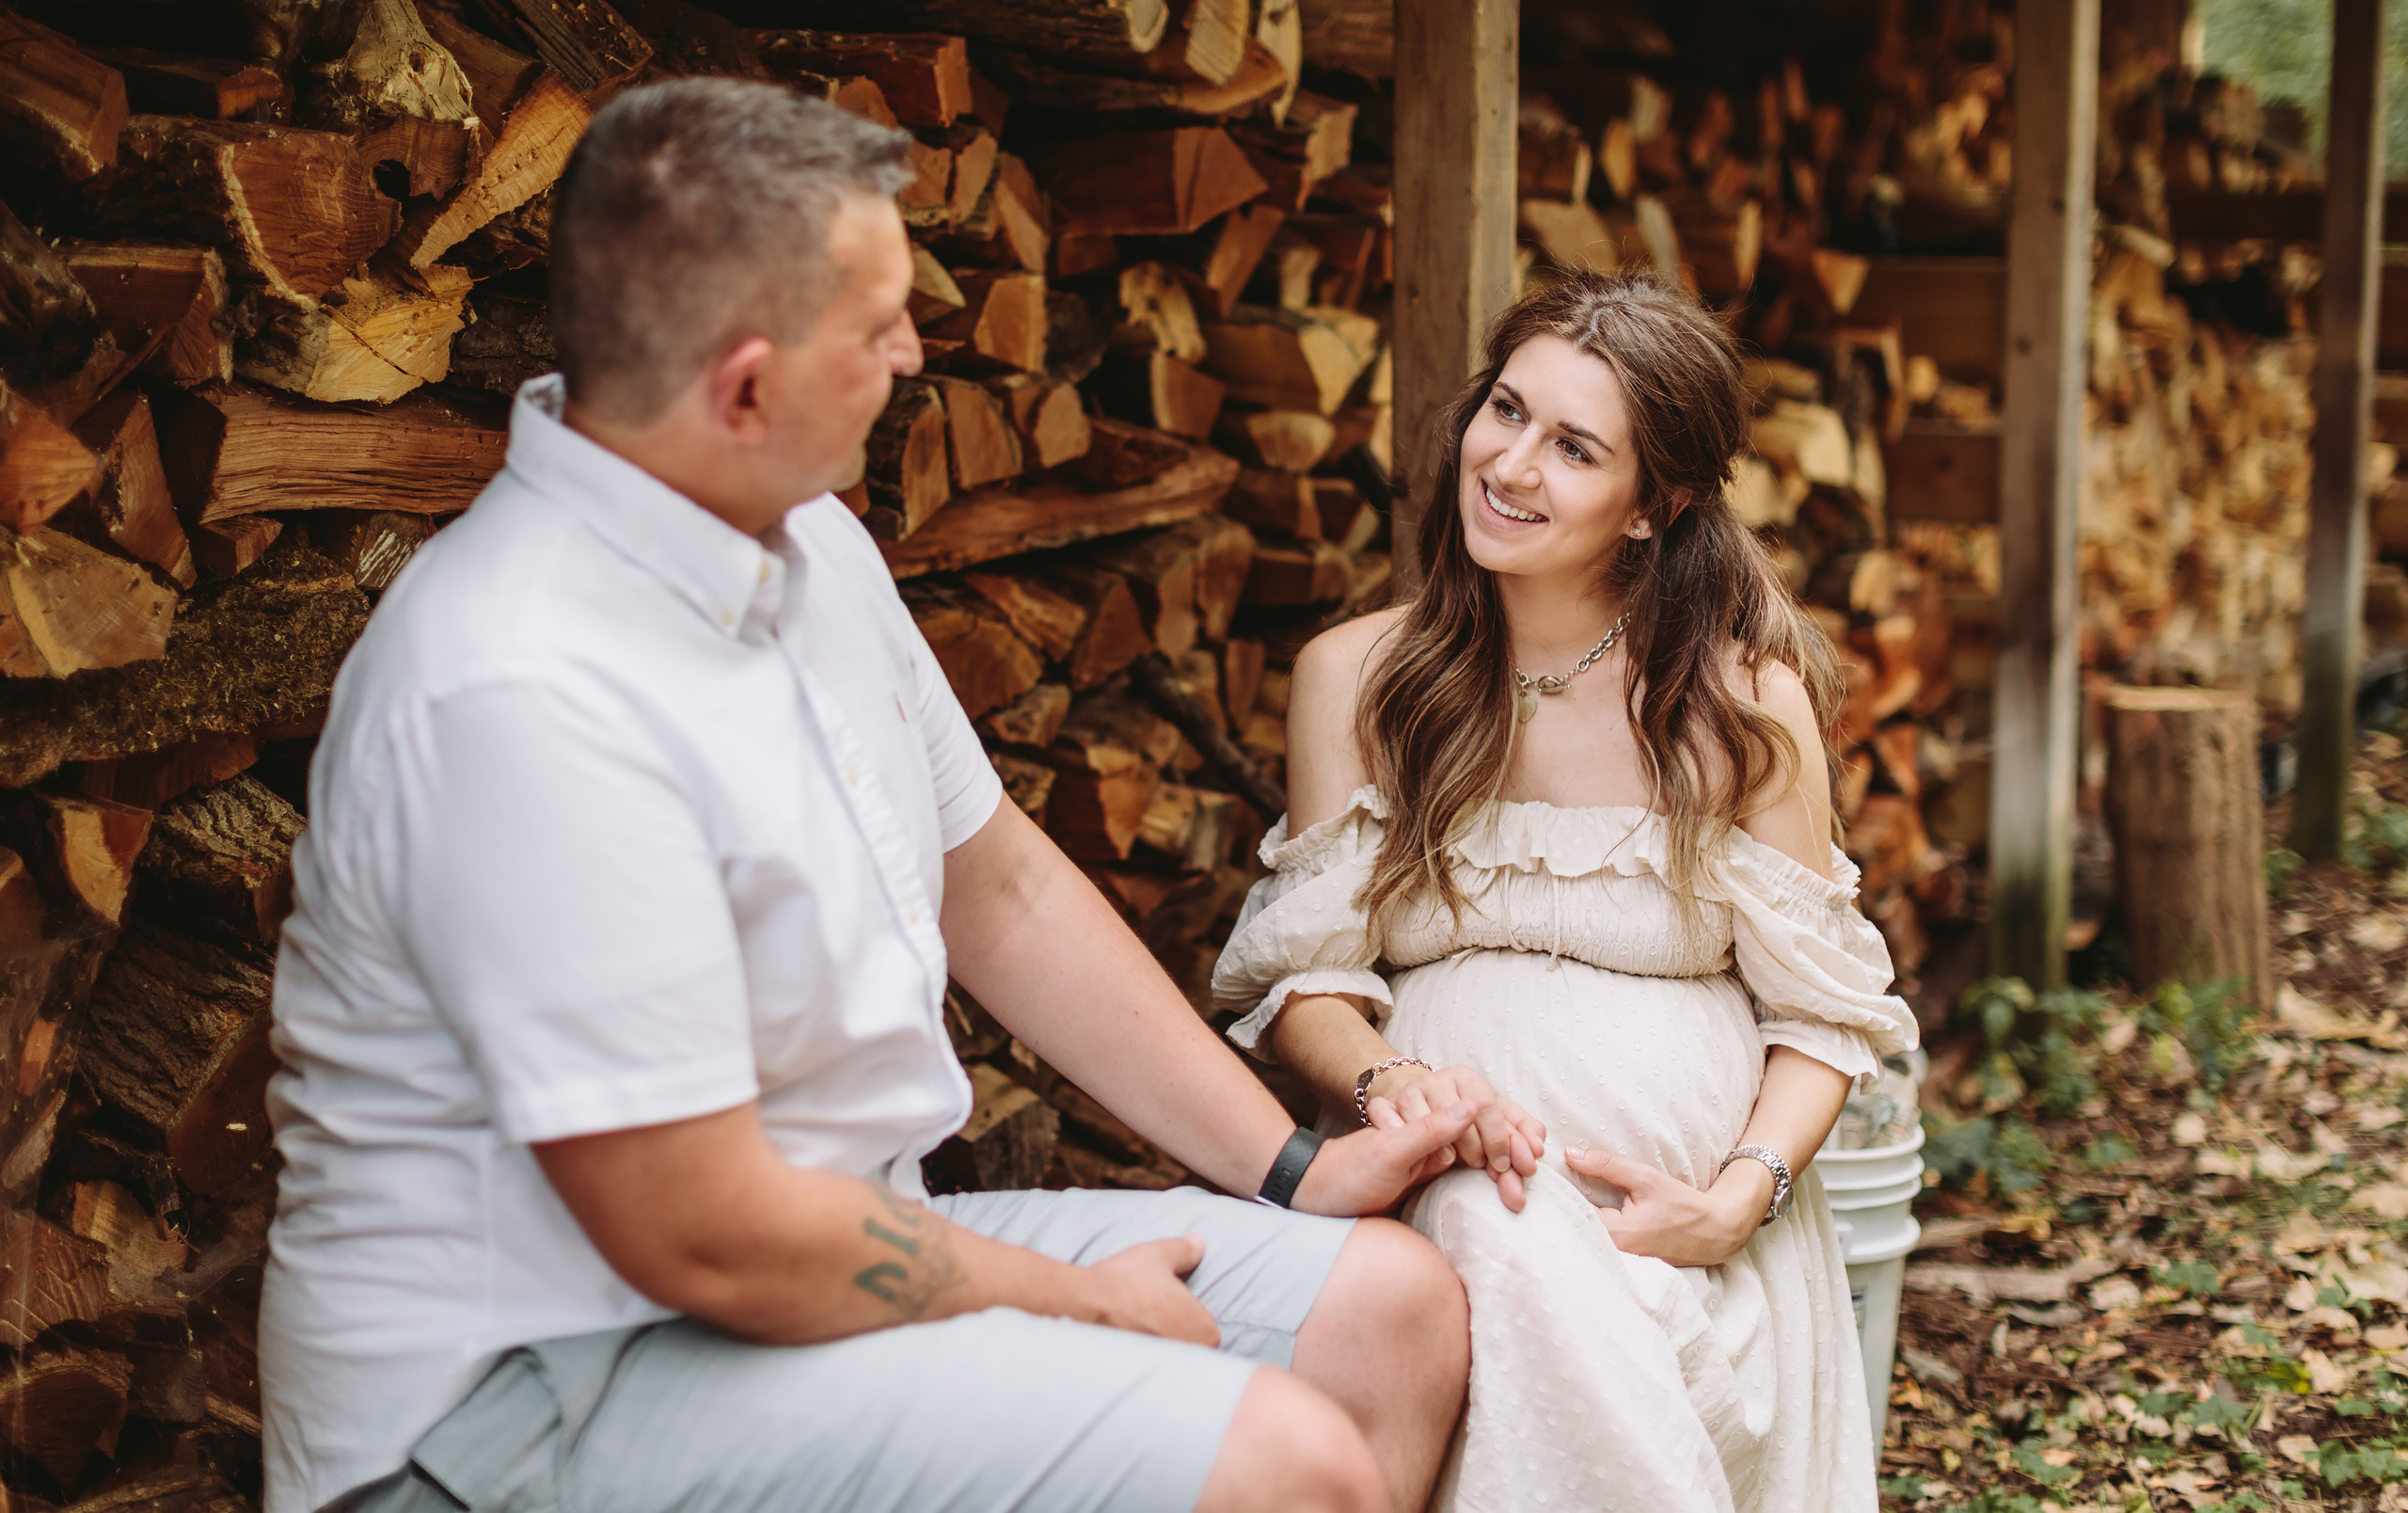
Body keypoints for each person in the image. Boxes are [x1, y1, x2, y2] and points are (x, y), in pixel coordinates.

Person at [260, 78, 1481, 1513]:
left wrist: (1288, 1168)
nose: (916, 349)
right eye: (879, 322)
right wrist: (1075, 1308)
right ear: (748, 386)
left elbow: (1002, 889)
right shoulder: (521, 685)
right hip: (527, 1390)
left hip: (827, 1256)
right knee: (1274, 1463)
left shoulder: (809, 541)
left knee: (1387, 1313)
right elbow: (704, 1236)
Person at [1212, 268, 1922, 1512]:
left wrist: (1729, 1202)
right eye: (1506, 410)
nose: (1512, 464)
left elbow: (1823, 1019)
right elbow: (1305, 980)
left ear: (1656, 504)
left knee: (1524, 1242)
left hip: (1688, 1241)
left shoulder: (1740, 709)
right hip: (1428, 1200)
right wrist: (1393, 1085)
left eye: (1575, 447)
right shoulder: (1357, 681)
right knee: (1494, 1219)